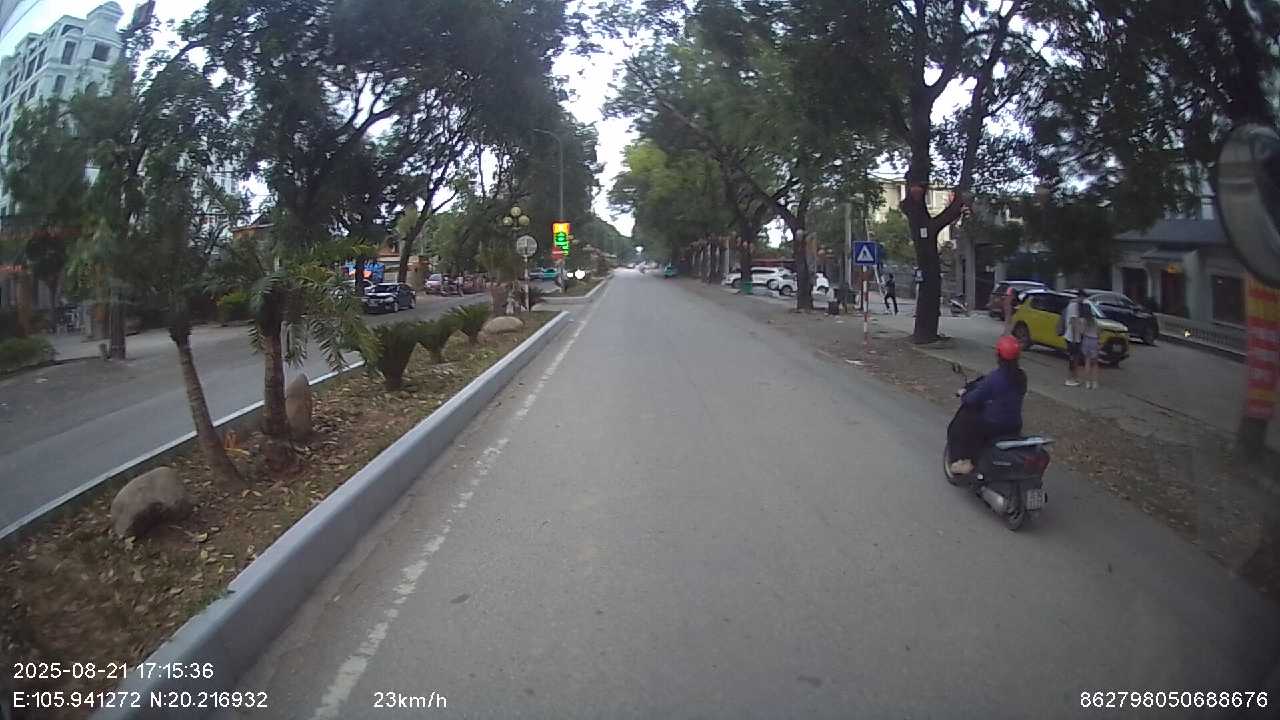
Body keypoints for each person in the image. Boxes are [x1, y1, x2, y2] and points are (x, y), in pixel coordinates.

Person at [947, 335, 1028, 476]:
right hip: (1014, 424)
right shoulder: (1021, 377)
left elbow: (973, 399)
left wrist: (964, 395)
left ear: (998, 356)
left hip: (993, 425)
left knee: (961, 424)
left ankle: (965, 462)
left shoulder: (996, 378)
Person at [1061, 289, 1086, 387]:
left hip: (1073, 336)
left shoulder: (1073, 305)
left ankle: (1074, 378)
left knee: (1074, 358)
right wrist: (1075, 339)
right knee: (1073, 358)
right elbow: (1074, 322)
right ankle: (1070, 379)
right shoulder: (1074, 306)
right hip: (1072, 337)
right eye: (1082, 298)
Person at [1080, 303, 1101, 389]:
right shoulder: (1094, 320)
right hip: (1094, 340)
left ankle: (1087, 382)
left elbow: (1081, 332)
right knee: (1095, 363)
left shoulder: (1083, 320)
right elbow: (1098, 332)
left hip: (1086, 340)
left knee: (1087, 362)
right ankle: (1095, 382)